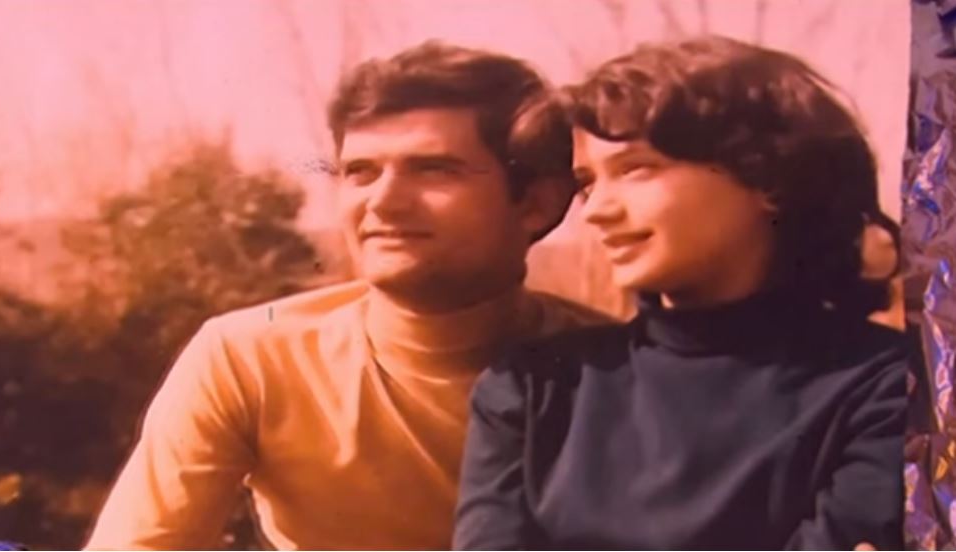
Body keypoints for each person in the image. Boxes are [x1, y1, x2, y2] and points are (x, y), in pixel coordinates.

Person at [85, 41, 612, 550]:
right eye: (360, 172)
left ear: (536, 204)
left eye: (434, 170)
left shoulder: (618, 377)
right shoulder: (249, 358)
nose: (382, 201)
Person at [454, 35, 907, 550]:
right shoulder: (534, 389)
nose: (596, 210)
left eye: (635, 169)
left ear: (767, 177)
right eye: (587, 183)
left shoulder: (890, 389)